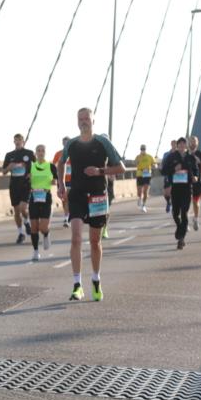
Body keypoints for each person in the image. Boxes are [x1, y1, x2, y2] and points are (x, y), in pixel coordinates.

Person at [57, 108, 126, 301]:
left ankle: (96, 279)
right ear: (77, 122)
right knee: (76, 238)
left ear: (93, 120)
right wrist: (61, 184)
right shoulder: (71, 144)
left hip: (97, 195)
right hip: (77, 195)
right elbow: (61, 163)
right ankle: (77, 285)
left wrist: (99, 171)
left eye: (86, 118)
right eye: (80, 119)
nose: (83, 121)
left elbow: (121, 167)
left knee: (95, 241)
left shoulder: (103, 142)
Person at [162, 137, 200, 249]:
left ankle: (181, 238)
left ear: (186, 146)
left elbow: (196, 171)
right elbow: (163, 171)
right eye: (180, 144)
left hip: (187, 189)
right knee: (175, 213)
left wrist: (196, 177)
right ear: (177, 146)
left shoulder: (190, 158)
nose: (182, 146)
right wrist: (174, 169)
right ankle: (179, 227)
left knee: (184, 213)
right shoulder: (171, 157)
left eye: (184, 144)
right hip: (175, 189)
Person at [2, 133, 36, 244]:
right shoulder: (9, 155)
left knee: (23, 208)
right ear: (13, 142)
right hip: (14, 186)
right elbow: (3, 172)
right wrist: (9, 167)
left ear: (23, 141)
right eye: (15, 140)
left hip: (26, 185)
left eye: (19, 140)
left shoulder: (29, 153)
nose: (17, 142)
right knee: (16, 211)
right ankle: (21, 233)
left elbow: (38, 166)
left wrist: (32, 174)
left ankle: (27, 222)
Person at [29, 144, 59, 261]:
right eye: (38, 151)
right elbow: (26, 179)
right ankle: (36, 251)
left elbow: (57, 179)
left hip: (46, 197)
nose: (40, 153)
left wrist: (54, 181)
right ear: (35, 153)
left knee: (43, 227)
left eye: (42, 151)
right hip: (34, 197)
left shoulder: (50, 166)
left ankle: (46, 234)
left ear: (45, 153)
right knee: (34, 227)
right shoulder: (31, 166)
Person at [53, 137, 72, 226]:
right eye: (64, 143)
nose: (66, 144)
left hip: (72, 180)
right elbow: (53, 167)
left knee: (68, 199)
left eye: (67, 143)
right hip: (61, 180)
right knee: (64, 200)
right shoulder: (58, 154)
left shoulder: (74, 153)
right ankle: (67, 216)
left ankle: (67, 218)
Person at [134, 144, 155, 212]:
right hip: (140, 174)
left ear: (145, 149)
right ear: (140, 150)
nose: (143, 150)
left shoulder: (149, 156)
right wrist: (136, 162)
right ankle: (140, 198)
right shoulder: (138, 157)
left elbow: (154, 163)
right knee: (139, 192)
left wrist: (154, 166)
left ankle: (143, 205)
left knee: (145, 191)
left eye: (144, 149)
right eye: (141, 149)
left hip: (147, 175)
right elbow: (135, 163)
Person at [161, 141, 176, 213]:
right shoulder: (166, 154)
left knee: (174, 190)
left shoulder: (179, 154)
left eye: (176, 144)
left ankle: (174, 205)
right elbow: (163, 163)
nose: (174, 145)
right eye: (173, 144)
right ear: (171, 145)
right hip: (168, 174)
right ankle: (168, 202)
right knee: (165, 193)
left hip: (177, 175)